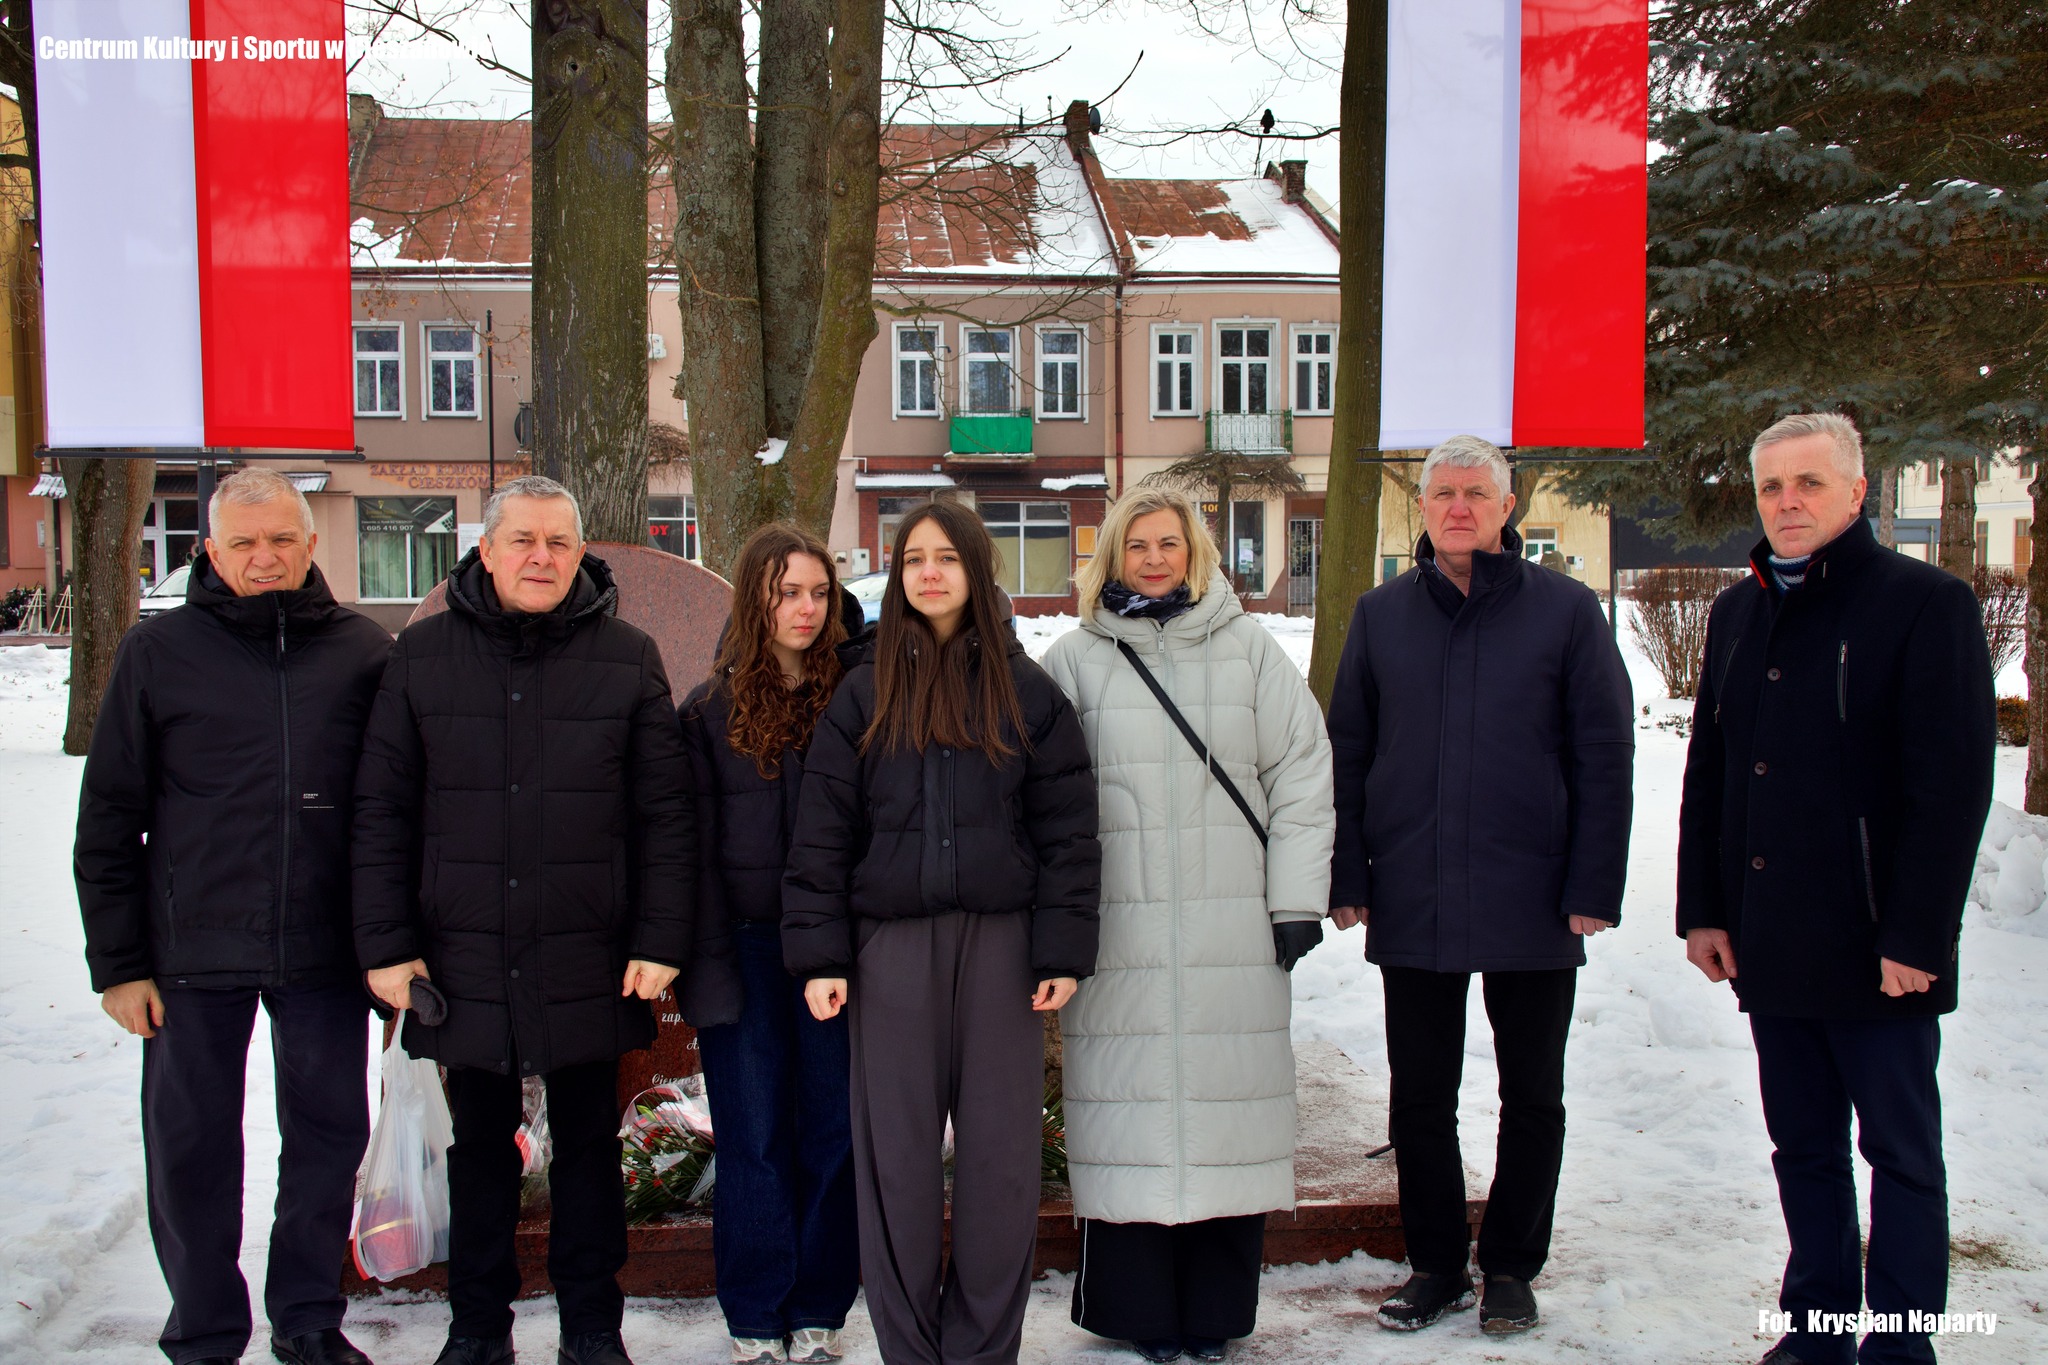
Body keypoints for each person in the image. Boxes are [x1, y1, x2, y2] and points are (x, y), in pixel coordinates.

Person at [352, 475, 695, 1365]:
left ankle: (591, 1327)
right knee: (481, 1151)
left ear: (582, 554)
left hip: (586, 948)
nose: (540, 557)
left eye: (558, 542)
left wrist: (660, 936)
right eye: (523, 540)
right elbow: (381, 809)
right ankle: (477, 1328)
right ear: (487, 550)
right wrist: (388, 945)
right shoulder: (420, 656)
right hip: (463, 952)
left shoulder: (628, 656)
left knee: (587, 1145)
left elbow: (665, 812)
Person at [1676, 413, 1994, 1365]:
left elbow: (1951, 790)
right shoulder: (1738, 612)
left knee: (1899, 1157)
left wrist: (1917, 937)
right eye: (1773, 487)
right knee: (1803, 1150)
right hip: (1771, 941)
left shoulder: (1922, 604)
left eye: (1809, 483)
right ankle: (1814, 1332)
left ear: (1857, 492)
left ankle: (1898, 1346)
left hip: (1878, 947)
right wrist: (1704, 908)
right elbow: (1714, 771)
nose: (1788, 502)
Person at [74, 468, 392, 1365]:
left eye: (280, 540)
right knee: (191, 1151)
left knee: (329, 1141)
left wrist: (390, 943)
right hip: (191, 949)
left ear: (310, 543)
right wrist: (119, 964)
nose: (264, 557)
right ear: (209, 551)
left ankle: (306, 1317)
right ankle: (207, 1329)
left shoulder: (364, 652)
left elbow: (394, 812)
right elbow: (107, 817)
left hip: (326, 947)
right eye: (243, 543)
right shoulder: (158, 653)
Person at [1326, 434, 1634, 1335]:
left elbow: (1605, 756)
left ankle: (1509, 1265)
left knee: (1532, 1092)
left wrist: (1594, 887)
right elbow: (1347, 752)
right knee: (1419, 1092)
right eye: (1443, 493)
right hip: (1414, 888)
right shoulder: (1380, 616)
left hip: (1534, 893)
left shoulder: (1569, 612)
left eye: (1477, 493)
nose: (1459, 507)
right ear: (1420, 508)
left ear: (1508, 507)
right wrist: (1351, 873)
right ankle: (1435, 1264)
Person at [781, 499, 1101, 1365]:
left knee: (1001, 1164)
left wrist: (1062, 949)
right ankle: (912, 1349)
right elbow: (822, 835)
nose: (929, 571)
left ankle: (983, 1347)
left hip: (1001, 949)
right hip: (890, 954)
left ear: (975, 569)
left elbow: (1068, 830)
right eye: (914, 557)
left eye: (947, 557)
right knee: (897, 1162)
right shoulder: (863, 690)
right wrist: (821, 954)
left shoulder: (1027, 690)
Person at [1040, 487, 1334, 1363]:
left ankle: (1212, 1311)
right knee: (1128, 1115)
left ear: (1197, 551)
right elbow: (1044, 803)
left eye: (1170, 543)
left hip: (1230, 934)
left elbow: (1302, 775)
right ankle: (1136, 1311)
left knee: (1224, 1118)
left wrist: (1293, 902)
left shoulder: (1249, 654)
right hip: (1119, 936)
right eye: (1139, 546)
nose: (1156, 559)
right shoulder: (1074, 664)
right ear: (1114, 559)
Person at [677, 524, 864, 1365]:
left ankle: (822, 1301)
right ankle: (756, 1309)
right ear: (755, 597)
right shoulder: (710, 711)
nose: (805, 608)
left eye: (819, 592)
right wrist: (704, 964)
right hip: (745, 948)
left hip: (835, 949)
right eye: (787, 591)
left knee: (831, 1128)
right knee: (752, 1133)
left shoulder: (855, 698)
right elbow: (691, 852)